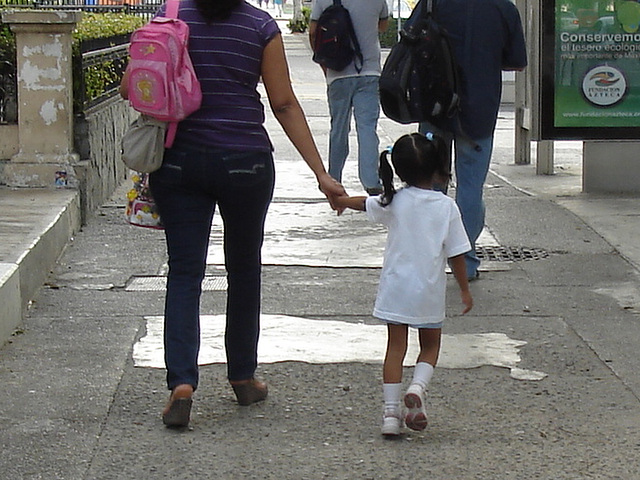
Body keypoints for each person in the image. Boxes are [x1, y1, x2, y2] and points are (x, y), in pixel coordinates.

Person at [121, 0, 346, 428]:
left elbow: (129, 88)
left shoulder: (170, 19)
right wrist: (322, 173)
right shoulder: (260, 25)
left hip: (179, 160)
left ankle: (182, 384)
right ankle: (243, 377)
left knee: (185, 272)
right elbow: (283, 103)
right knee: (244, 270)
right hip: (246, 161)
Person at [334, 133, 473, 436]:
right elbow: (458, 253)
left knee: (395, 349)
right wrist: (464, 288)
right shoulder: (446, 207)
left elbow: (363, 203)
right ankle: (418, 388)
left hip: (396, 288)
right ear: (438, 167)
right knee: (431, 346)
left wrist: (341, 200)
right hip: (428, 290)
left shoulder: (394, 200)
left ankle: (390, 416)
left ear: (398, 171)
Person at [414, 0, 527, 280]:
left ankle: (430, 256)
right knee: (470, 189)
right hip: (479, 109)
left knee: (430, 187)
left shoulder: (433, 2)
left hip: (435, 107)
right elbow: (516, 62)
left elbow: (410, 41)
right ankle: (466, 261)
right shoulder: (503, 8)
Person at [309, 0, 389, 195]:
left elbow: (313, 32)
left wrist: (324, 62)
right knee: (368, 128)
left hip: (337, 72)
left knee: (339, 128)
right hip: (369, 71)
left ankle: (334, 178)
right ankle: (371, 181)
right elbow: (383, 26)